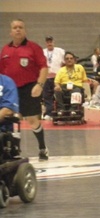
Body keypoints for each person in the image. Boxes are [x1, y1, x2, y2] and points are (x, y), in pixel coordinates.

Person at [0, 19, 49, 160]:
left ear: (24, 30)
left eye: (20, 27)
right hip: (10, 90)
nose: (17, 29)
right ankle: (13, 150)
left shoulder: (33, 47)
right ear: (10, 32)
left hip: (29, 88)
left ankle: (42, 148)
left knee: (33, 120)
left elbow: (44, 68)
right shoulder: (5, 50)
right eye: (15, 27)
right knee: (11, 119)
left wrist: (39, 85)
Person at [42, 36, 65, 119]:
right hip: (46, 77)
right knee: (47, 96)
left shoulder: (60, 51)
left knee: (58, 94)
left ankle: (60, 111)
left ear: (53, 42)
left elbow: (64, 63)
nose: (49, 43)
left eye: (51, 41)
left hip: (57, 77)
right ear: (46, 43)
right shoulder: (42, 52)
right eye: (48, 42)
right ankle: (49, 113)